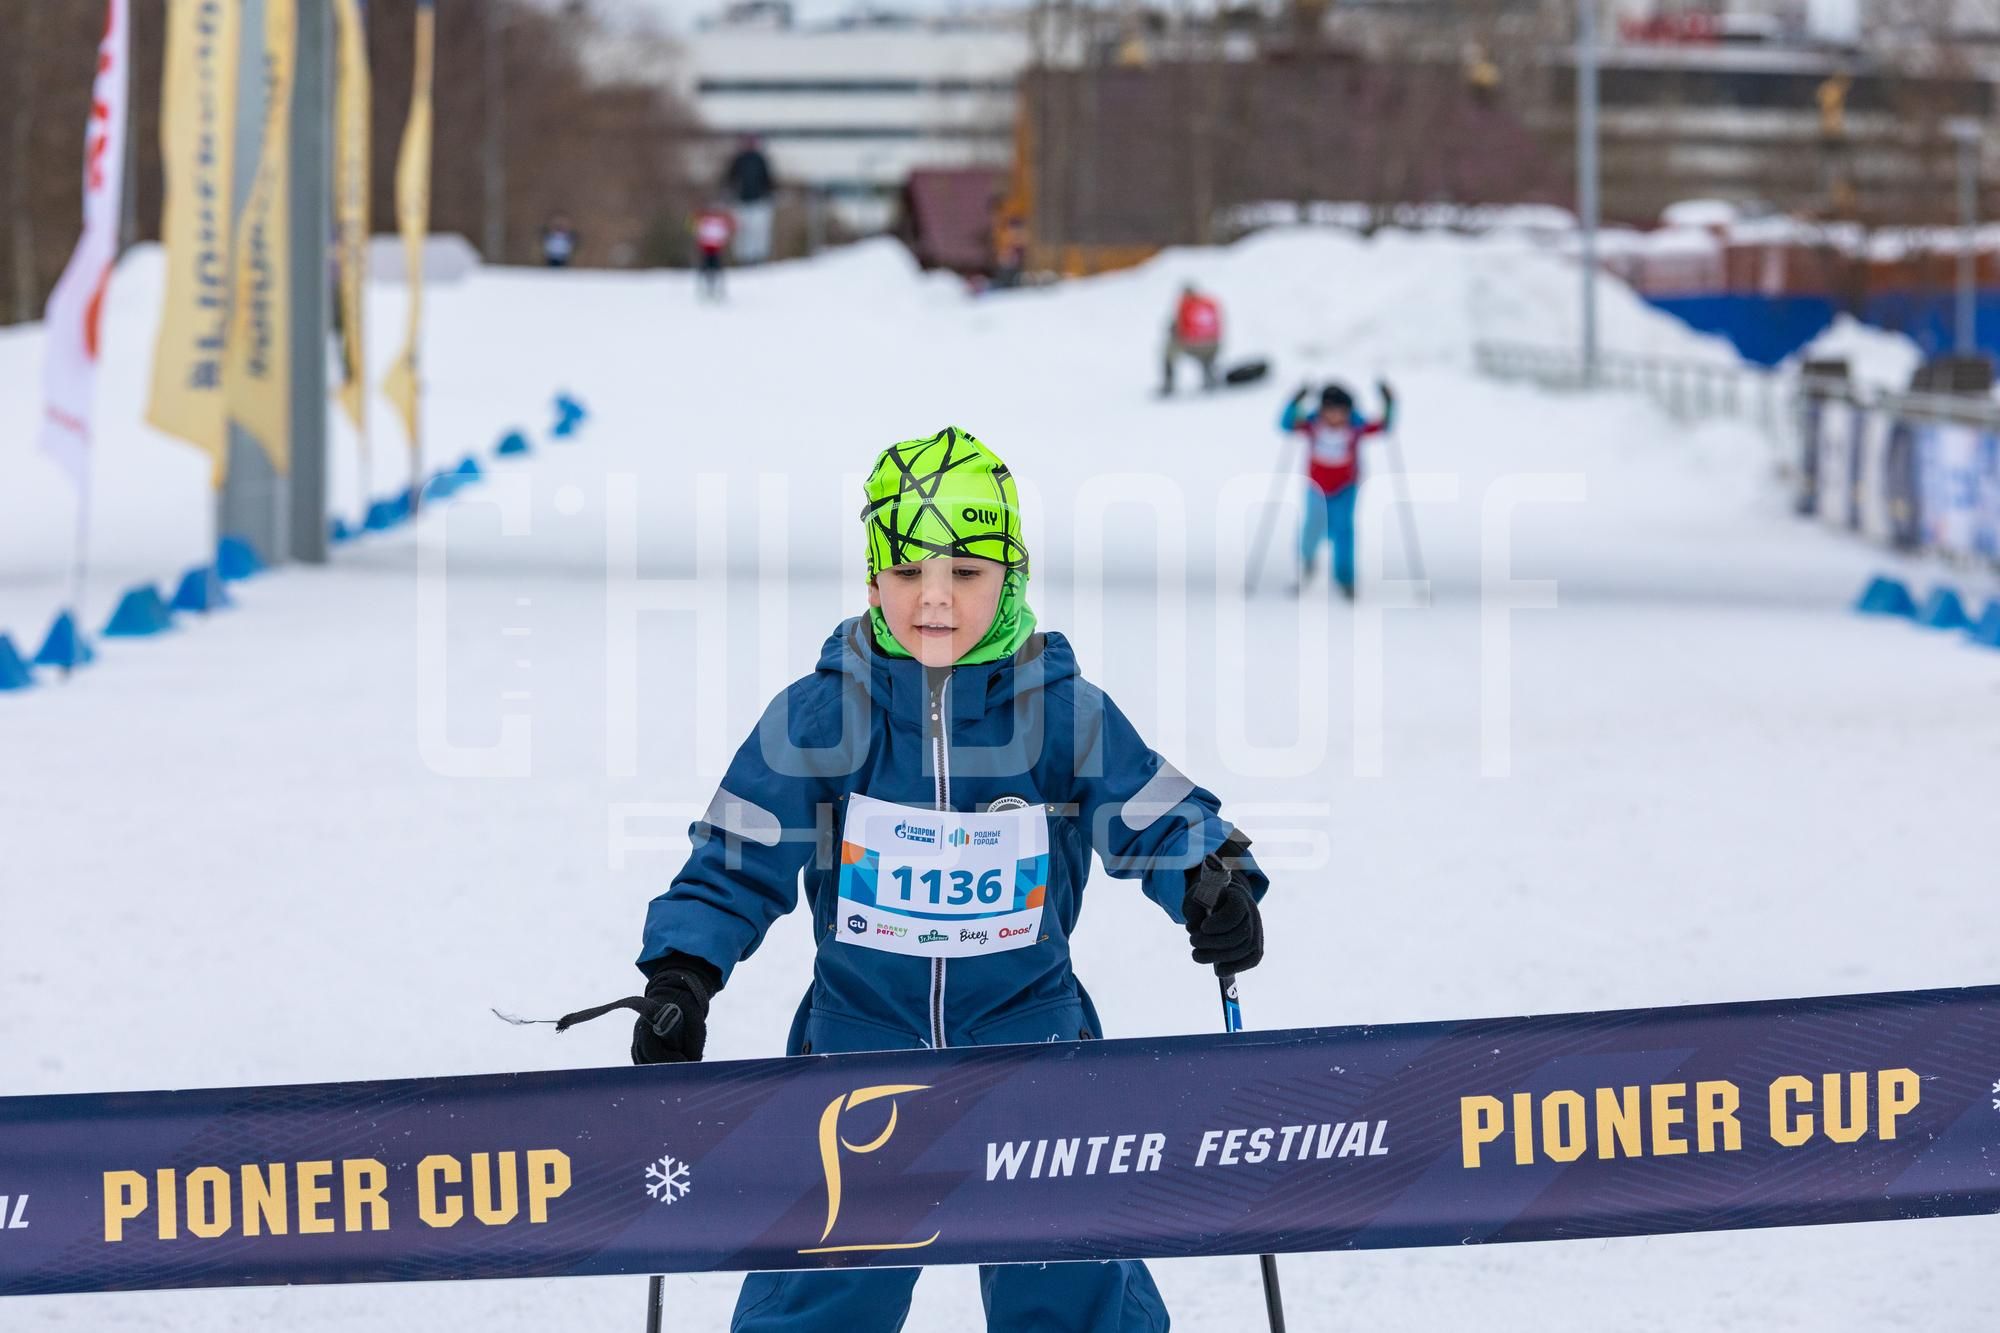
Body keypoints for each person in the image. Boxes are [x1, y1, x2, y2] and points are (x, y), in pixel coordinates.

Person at [628, 427, 1268, 1332]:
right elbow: (738, 852)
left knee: (1071, 1283)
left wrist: (1211, 877)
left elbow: (1152, 806)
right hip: (858, 1051)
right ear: (873, 581)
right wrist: (684, 971)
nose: (935, 600)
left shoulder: (1057, 710)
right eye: (909, 575)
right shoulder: (823, 713)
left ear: (1010, 576)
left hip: (1033, 1045)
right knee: (822, 1290)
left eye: (965, 574)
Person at [1283, 380, 1395, 599]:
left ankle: (1345, 579)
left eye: (1340, 411)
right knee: (1312, 528)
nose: (1335, 416)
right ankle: (1306, 563)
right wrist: (1294, 402)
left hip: (1345, 487)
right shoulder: (1312, 424)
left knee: (1343, 531)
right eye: (1330, 411)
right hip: (1316, 487)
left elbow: (1383, 426)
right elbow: (1287, 424)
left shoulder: (1356, 426)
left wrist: (1389, 402)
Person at [722, 135, 776, 265]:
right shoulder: (738, 160)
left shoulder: (761, 159)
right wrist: (729, 193)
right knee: (742, 233)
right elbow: (730, 179)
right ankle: (744, 259)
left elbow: (768, 180)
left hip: (759, 202)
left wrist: (770, 194)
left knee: (758, 232)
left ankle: (758, 258)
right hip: (741, 202)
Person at [1160, 284, 1222, 396]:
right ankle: (1209, 376)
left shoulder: (1185, 305)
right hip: (1213, 346)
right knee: (1207, 355)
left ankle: (1168, 384)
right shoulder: (1209, 304)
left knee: (1170, 349)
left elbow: (1179, 328)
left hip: (1192, 344)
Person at [693, 203, 736, 301]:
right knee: (705, 269)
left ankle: (718, 288)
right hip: (706, 251)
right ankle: (705, 288)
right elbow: (695, 229)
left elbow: (729, 230)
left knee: (717, 269)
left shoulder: (720, 222)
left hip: (716, 251)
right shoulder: (704, 221)